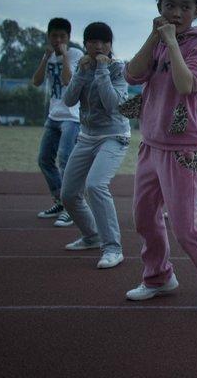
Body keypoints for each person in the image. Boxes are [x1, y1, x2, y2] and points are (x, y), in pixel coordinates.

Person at [123, 0, 197, 315]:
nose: (178, 11)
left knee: (186, 227)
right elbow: (132, 75)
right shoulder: (157, 38)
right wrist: (156, 35)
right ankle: (158, 277)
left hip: (186, 147)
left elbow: (186, 85)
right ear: (159, 7)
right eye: (170, 4)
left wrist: (171, 42)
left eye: (186, 6)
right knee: (143, 216)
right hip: (151, 142)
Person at [59, 22, 130, 269]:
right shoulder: (83, 66)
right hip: (87, 137)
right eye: (92, 41)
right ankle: (91, 236)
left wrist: (101, 69)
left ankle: (113, 248)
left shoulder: (119, 69)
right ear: (86, 43)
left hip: (114, 136)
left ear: (111, 45)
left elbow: (112, 104)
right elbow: (68, 100)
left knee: (96, 185)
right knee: (67, 194)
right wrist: (81, 72)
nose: (98, 46)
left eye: (104, 42)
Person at [32, 17, 83, 227]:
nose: (58, 39)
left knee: (65, 160)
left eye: (62, 36)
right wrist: (45, 58)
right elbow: (36, 82)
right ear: (48, 36)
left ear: (69, 38)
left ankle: (72, 207)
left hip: (71, 117)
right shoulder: (49, 55)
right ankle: (60, 201)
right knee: (44, 159)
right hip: (53, 116)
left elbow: (67, 80)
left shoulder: (76, 54)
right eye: (54, 36)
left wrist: (62, 57)